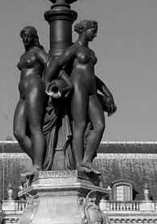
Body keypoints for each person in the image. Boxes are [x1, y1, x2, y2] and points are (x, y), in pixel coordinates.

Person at [45, 19, 116, 174]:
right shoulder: (74, 49)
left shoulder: (90, 52)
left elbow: (92, 75)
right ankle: (79, 164)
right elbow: (57, 64)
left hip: (91, 89)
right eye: (93, 31)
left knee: (99, 125)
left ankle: (87, 159)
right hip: (78, 88)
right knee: (80, 124)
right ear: (84, 30)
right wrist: (48, 81)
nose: (95, 35)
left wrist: (107, 92)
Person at [12, 26, 49, 174]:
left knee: (35, 127)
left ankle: (38, 165)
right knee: (18, 132)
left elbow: (51, 65)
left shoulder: (38, 52)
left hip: (35, 87)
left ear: (34, 37)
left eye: (28, 36)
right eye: (24, 36)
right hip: (22, 94)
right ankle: (43, 161)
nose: (26, 39)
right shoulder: (24, 55)